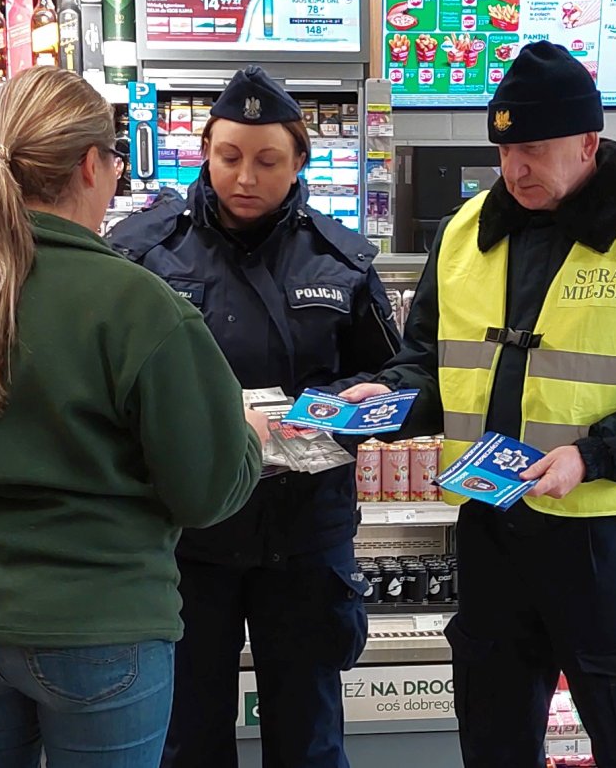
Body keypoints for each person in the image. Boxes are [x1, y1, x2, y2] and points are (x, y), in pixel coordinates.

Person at [341, 41, 616, 768]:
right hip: (489, 528)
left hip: (598, 536)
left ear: (590, 142)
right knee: (493, 740)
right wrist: (390, 394)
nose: (514, 169)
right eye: (503, 151)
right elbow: (431, 361)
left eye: (533, 149)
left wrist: (594, 454)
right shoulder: (465, 232)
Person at [0, 67, 268, 768]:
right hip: (99, 627)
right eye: (114, 161)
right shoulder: (140, 305)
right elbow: (204, 492)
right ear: (91, 165)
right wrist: (251, 440)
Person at [107, 65, 401, 768]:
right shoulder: (141, 255)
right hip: (185, 539)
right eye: (229, 155)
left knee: (309, 741)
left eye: (268, 160)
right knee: (185, 741)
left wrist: (366, 400)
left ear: (299, 160)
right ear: (204, 150)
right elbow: (109, 387)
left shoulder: (343, 259)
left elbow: (393, 380)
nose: (245, 176)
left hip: (304, 537)